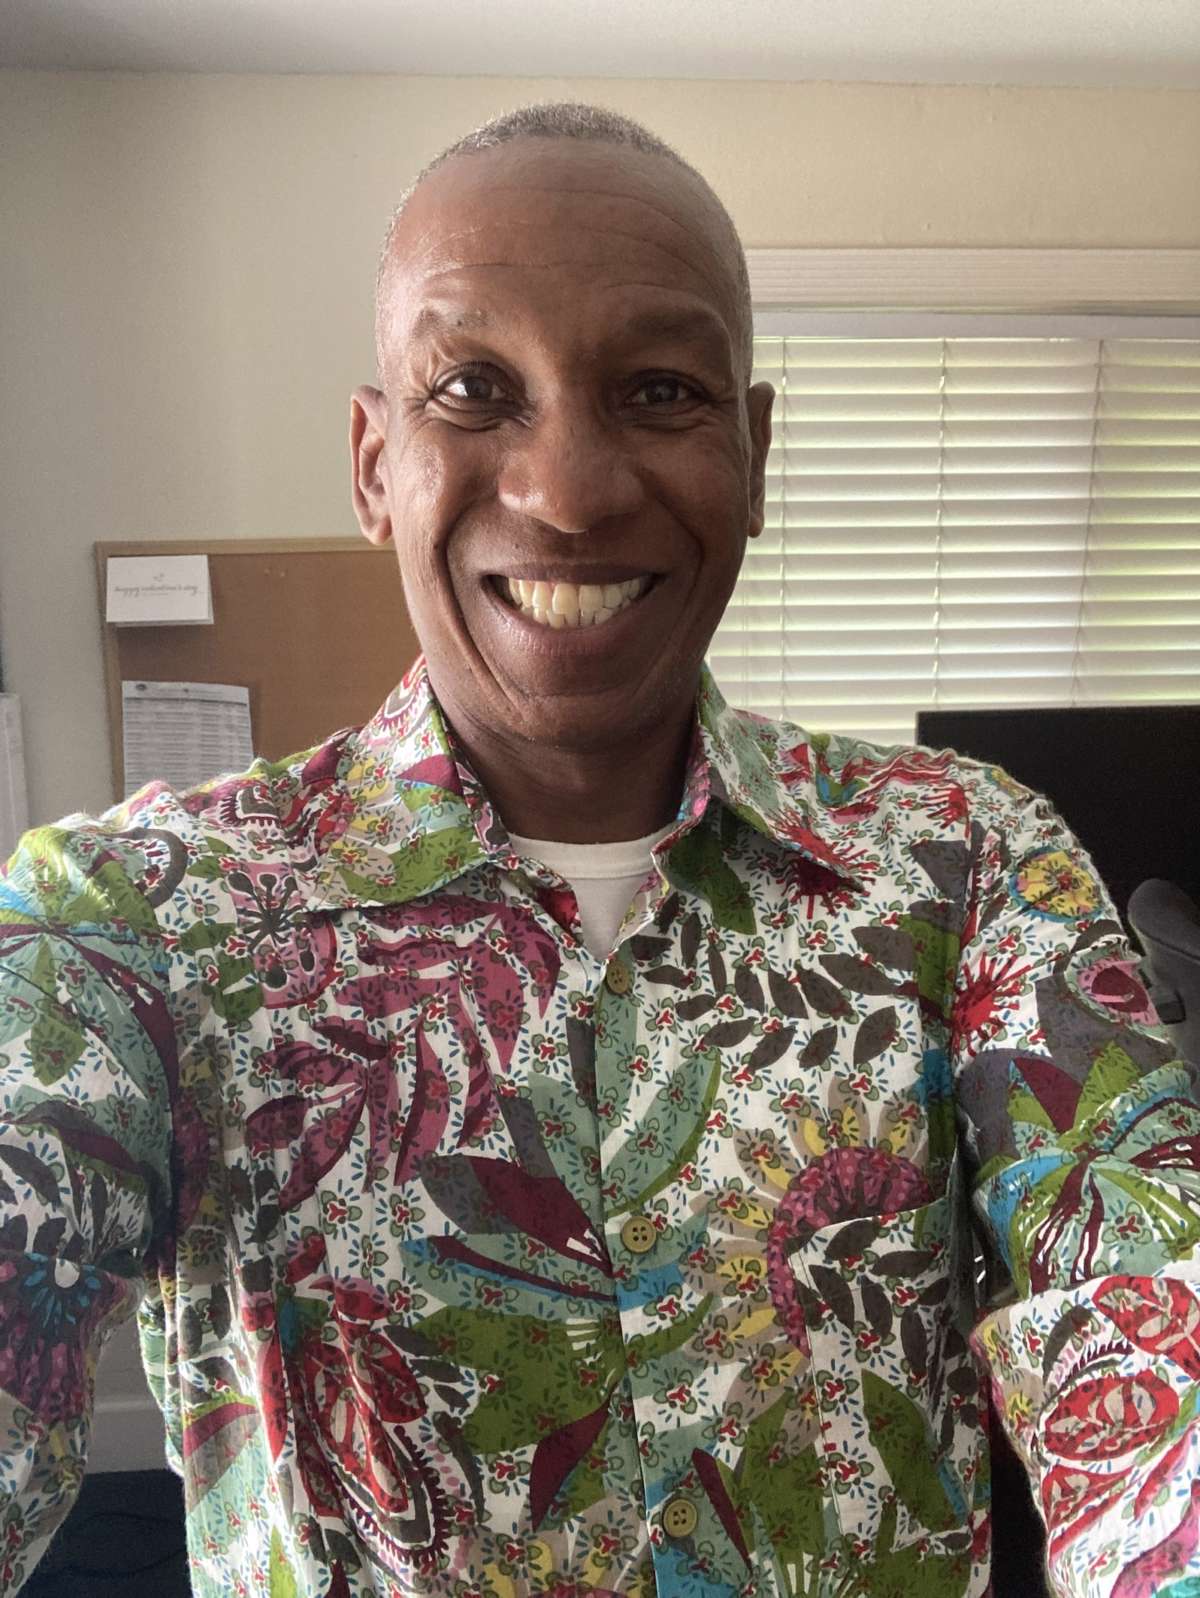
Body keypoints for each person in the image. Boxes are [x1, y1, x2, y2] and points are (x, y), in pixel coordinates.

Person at [1, 101, 1198, 1598]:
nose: (567, 493)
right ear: (373, 465)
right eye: (473, 388)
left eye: (659, 390)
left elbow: (1153, 1302)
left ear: (753, 453)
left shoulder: (968, 865)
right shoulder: (141, 924)